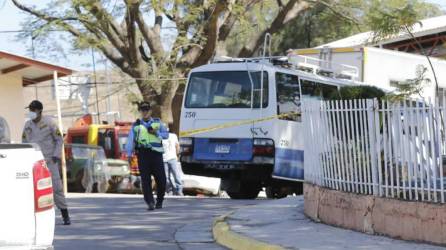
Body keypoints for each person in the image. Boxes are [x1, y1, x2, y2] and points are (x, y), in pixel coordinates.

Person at [22, 100, 71, 225]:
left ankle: (65, 215)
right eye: (30, 110)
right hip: (34, 163)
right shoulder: (27, 125)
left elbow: (59, 140)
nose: (31, 112)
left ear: (39, 110)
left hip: (49, 161)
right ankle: (35, 217)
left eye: (33, 110)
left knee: (56, 188)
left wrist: (56, 155)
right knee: (33, 189)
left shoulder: (50, 123)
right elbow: (24, 143)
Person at [126, 101, 169, 210]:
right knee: (145, 181)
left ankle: (159, 201)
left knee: (161, 180)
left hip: (156, 155)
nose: (145, 112)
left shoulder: (158, 123)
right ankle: (150, 202)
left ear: (150, 111)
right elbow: (130, 140)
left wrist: (157, 133)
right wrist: (129, 154)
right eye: (142, 110)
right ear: (140, 111)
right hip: (143, 154)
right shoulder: (136, 125)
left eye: (146, 110)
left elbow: (166, 135)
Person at [163, 127, 183, 196]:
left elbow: (177, 145)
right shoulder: (159, 137)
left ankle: (179, 190)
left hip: (173, 158)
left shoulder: (173, 136)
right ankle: (170, 190)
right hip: (164, 159)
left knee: (176, 175)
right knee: (166, 177)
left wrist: (177, 155)